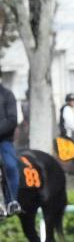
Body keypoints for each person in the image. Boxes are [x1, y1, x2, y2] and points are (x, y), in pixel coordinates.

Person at [0, 78, 21, 215]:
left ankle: (11, 201)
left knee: (11, 166)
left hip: (3, 140)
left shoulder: (7, 95)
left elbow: (12, 120)